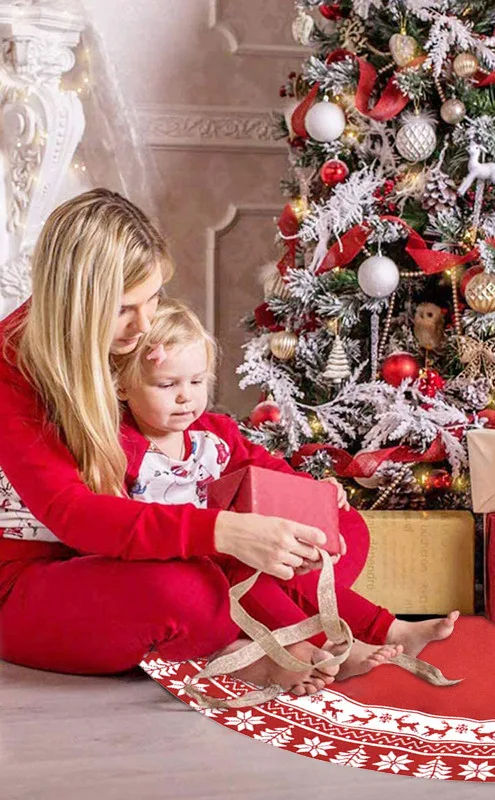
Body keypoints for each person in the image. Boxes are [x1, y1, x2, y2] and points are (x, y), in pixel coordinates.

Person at [0, 189, 352, 695]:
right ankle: (237, 644)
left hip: (123, 555)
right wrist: (224, 532)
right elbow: (73, 514)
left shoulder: (127, 341)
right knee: (191, 590)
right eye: (125, 309)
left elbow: (199, 439)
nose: (144, 326)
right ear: (78, 302)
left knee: (339, 533)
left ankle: (245, 640)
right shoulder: (13, 365)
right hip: (31, 582)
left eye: (154, 299)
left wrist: (295, 500)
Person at [113, 297, 460, 686]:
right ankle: (331, 645)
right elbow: (123, 523)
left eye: (196, 382)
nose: (186, 397)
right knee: (255, 573)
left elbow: (265, 468)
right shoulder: (122, 447)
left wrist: (310, 493)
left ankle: (389, 628)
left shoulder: (214, 433)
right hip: (192, 570)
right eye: (167, 384)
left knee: (293, 560)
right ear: (123, 386)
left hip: (244, 549)